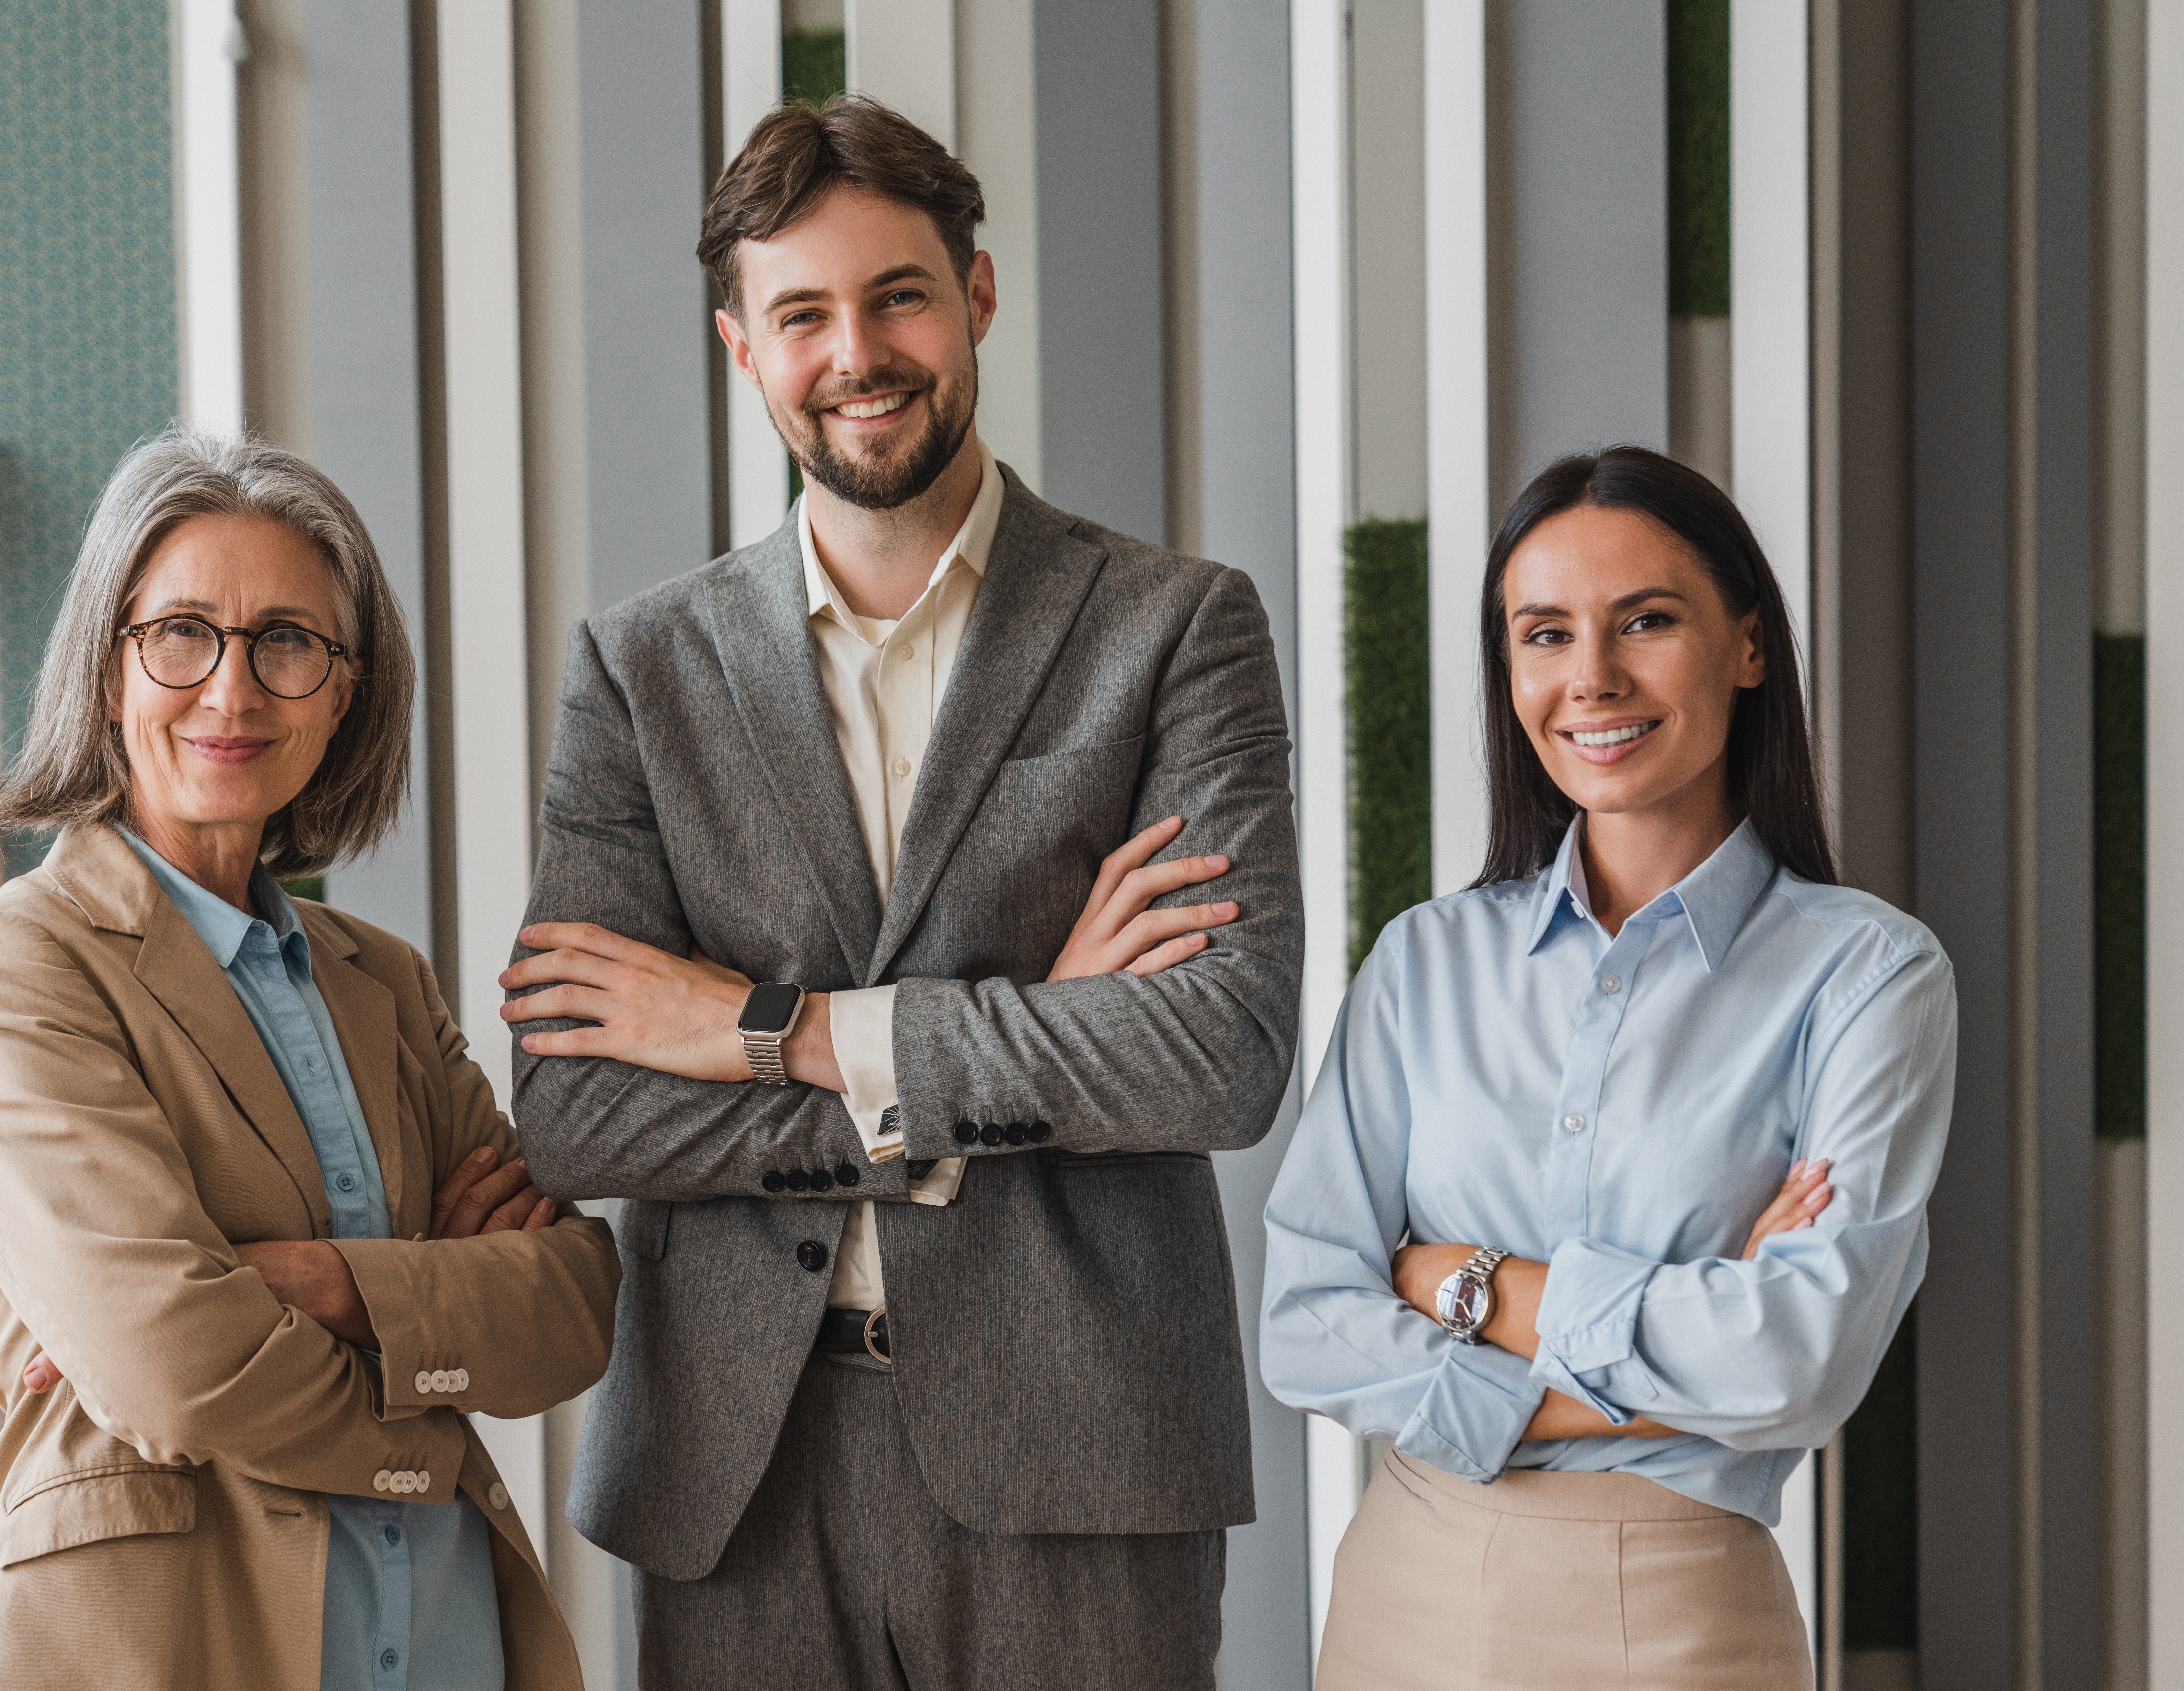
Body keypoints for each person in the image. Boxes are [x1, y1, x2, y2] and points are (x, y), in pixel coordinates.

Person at [494, 96, 1302, 1688]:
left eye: (899, 297)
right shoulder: (639, 672)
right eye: (803, 314)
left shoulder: (1177, 628)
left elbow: (1220, 1056)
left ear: (977, 295)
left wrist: (770, 1031)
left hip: (1086, 1456)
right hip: (740, 1473)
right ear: (742, 346)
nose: (857, 354)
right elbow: (578, 1112)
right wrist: (1030, 1033)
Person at [0, 430, 619, 1691]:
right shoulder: (11, 968)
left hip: (449, 1638)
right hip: (163, 1641)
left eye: (287, 641)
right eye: (181, 633)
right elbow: (172, 1362)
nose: (232, 691)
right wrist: (427, 1363)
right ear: (109, 669)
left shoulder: (385, 980)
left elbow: (572, 1302)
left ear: (343, 693)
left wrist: (323, 1282)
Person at [1261, 445, 1956, 1689]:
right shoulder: (1424, 960)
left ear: (1748, 644)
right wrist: (1693, 1332)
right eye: (1545, 634)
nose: (1591, 678)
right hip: (1401, 1592)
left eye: (1645, 621)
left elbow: (1798, 1360)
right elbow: (1305, 1325)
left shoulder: (1867, 976)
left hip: (1679, 1616)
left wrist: (1464, 1284)